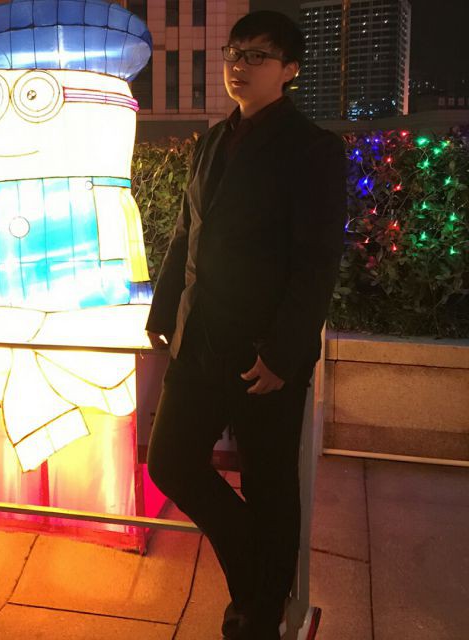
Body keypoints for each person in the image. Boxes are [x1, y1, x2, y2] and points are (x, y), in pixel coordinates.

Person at [145, 10, 347, 640]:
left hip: (263, 354)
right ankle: (260, 575)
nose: (239, 66)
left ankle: (257, 615)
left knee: (268, 484)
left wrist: (284, 354)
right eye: (234, 53)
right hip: (197, 339)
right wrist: (163, 312)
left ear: (289, 70)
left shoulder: (313, 148)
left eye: (257, 55)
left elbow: (317, 262)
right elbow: (187, 234)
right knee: (169, 463)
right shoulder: (211, 141)